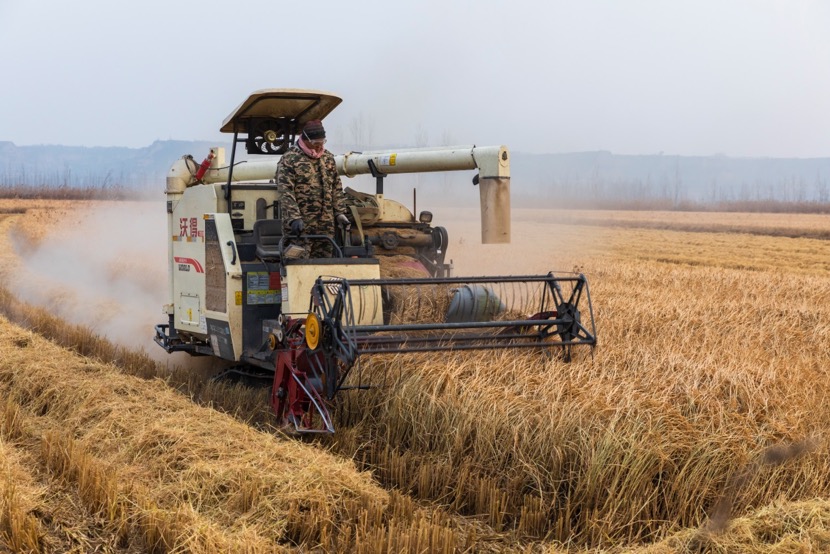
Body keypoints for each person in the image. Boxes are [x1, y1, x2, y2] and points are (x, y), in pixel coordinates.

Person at [275, 119, 350, 258]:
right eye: (316, 143)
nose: (319, 146)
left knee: (323, 266)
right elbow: (285, 192)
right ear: (306, 139)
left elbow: (336, 186)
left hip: (325, 227)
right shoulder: (290, 159)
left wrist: (339, 212)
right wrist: (294, 218)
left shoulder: (327, 158)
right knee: (298, 266)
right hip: (300, 227)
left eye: (322, 142)